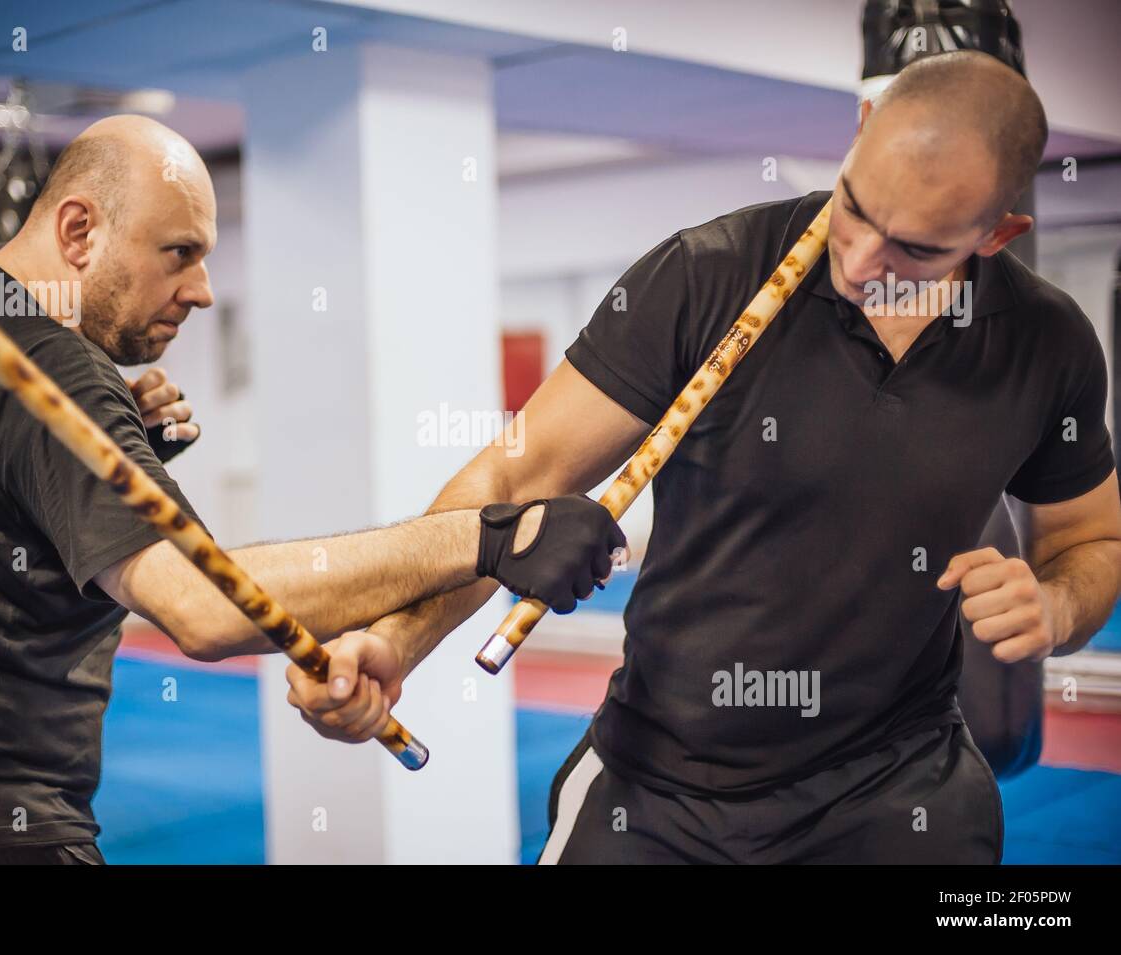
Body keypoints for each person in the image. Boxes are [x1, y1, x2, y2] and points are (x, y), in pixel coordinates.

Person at [286, 52, 1121, 863]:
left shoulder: (1047, 346)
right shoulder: (705, 276)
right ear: (861, 127)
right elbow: (513, 476)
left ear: (997, 234)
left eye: (913, 249)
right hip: (662, 779)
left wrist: (1052, 607)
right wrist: (396, 639)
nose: (860, 260)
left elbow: (1094, 541)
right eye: (855, 206)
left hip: (895, 784)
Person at [0, 115, 623, 864]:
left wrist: (111, 454)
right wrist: (485, 537)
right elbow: (205, 608)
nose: (203, 289)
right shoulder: (57, 374)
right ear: (77, 232)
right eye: (178, 253)